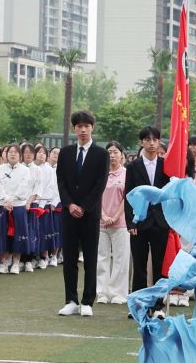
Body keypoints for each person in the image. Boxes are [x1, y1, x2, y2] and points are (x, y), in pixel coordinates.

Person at [55, 110, 110, 317]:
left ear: (92, 128)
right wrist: (70, 204)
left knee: (90, 257)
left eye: (87, 126)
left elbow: (100, 184)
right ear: (74, 129)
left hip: (90, 213)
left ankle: (87, 301)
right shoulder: (66, 153)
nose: (83, 130)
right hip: (69, 213)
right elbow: (61, 181)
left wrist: (84, 207)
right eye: (79, 126)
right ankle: (70, 300)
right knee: (69, 258)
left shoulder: (101, 154)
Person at [126, 127, 171, 289]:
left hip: (161, 221)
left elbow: (171, 194)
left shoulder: (166, 165)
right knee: (139, 264)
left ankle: (157, 301)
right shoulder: (133, 166)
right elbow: (128, 195)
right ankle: (138, 300)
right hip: (139, 221)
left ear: (159, 142)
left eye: (155, 140)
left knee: (159, 264)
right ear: (141, 142)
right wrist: (130, 223)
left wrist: (171, 220)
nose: (151, 143)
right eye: (147, 140)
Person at [94, 142, 132, 303]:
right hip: (101, 222)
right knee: (101, 258)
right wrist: (103, 215)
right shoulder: (100, 173)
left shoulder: (127, 174)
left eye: (115, 152)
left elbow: (127, 197)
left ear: (122, 155)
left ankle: (118, 293)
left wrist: (116, 216)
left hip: (121, 223)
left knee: (120, 259)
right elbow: (95, 195)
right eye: (109, 152)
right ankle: (102, 292)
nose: (112, 155)